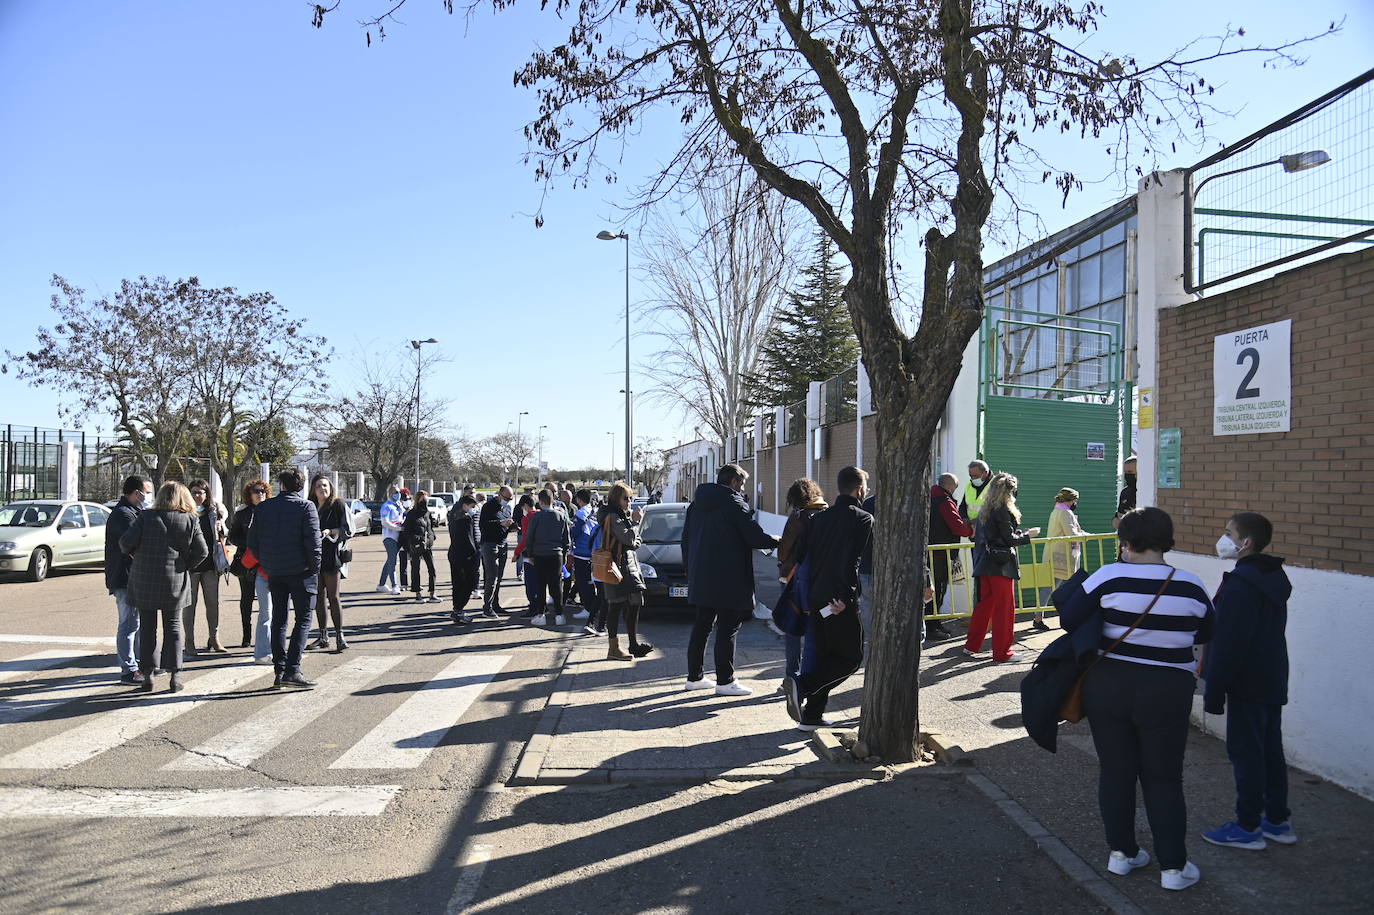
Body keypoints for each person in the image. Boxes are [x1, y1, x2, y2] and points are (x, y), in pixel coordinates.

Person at [1061, 507, 1215, 892]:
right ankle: (1174, 869)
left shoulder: (1110, 575)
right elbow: (1206, 631)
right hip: (1167, 691)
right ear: (1167, 542)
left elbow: (1069, 617)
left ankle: (1122, 855)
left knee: (1116, 772)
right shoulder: (1192, 585)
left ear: (1125, 543)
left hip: (1109, 685)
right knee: (1163, 777)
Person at [1201, 511, 1296, 850]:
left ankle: (1248, 826)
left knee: (1246, 754)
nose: (1223, 538)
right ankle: (1277, 819)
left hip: (1246, 682)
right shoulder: (1270, 577)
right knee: (1269, 750)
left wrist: (1214, 692)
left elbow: (1228, 643)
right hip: (1271, 677)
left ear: (1246, 543)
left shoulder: (1242, 585)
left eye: (1228, 532)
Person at [784, 466, 872, 730]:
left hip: (816, 597)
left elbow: (800, 556)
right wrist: (845, 596)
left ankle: (812, 716)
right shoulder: (863, 519)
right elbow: (852, 561)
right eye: (866, 486)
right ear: (860, 489)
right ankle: (802, 686)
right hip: (839, 600)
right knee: (851, 658)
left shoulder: (820, 518)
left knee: (827, 657)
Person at [682, 463, 780, 695]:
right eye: (742, 484)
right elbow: (754, 536)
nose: (742, 490)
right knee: (728, 628)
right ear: (734, 482)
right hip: (729, 577)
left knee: (702, 626)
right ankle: (725, 681)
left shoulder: (696, 505)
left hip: (702, 575)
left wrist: (691, 571)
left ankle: (694, 677)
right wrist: (777, 540)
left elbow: (685, 540)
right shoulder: (734, 502)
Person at [120, 481, 209, 693]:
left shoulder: (146, 517)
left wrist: (137, 555)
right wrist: (185, 565)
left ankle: (148, 676)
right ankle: (175, 675)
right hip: (175, 579)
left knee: (148, 628)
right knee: (174, 627)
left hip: (145, 580)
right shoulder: (190, 519)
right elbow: (202, 551)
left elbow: (125, 544)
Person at [247, 467, 322, 689]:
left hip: (275, 571)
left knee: (279, 619)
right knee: (303, 619)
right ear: (301, 486)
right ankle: (292, 669)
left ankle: (280, 670)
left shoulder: (264, 508)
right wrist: (314, 568)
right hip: (301, 572)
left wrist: (268, 562)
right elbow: (314, 543)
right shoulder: (306, 507)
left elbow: (253, 543)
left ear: (282, 485)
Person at [963, 472, 1039, 662]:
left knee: (985, 606)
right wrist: (1029, 535)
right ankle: (1003, 652)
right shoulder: (1003, 510)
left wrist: (1018, 534)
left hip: (985, 563)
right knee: (1005, 610)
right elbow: (1009, 539)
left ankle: (971, 645)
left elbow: (994, 536)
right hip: (1001, 566)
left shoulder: (985, 510)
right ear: (1010, 491)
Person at [776, 479, 827, 693]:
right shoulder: (826, 513)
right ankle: (812, 675)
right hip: (819, 578)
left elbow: (784, 549)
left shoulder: (797, 517)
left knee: (793, 628)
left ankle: (791, 677)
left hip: (793, 577)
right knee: (816, 628)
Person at [105, 474, 153, 684]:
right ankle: (129, 669)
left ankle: (143, 664)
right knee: (128, 624)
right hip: (125, 578)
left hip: (135, 576)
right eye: (148, 493)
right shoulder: (124, 515)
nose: (149, 497)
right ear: (137, 493)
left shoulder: (135, 511)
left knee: (137, 622)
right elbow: (135, 546)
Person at [598, 482, 653, 659]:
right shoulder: (613, 516)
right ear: (616, 499)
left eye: (630, 498)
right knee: (615, 605)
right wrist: (636, 522)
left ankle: (633, 644)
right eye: (625, 498)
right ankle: (613, 648)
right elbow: (630, 538)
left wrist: (633, 530)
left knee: (635, 601)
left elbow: (634, 541)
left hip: (628, 565)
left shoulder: (620, 515)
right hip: (617, 566)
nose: (629, 502)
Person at [228, 479, 275, 659]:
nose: (260, 493)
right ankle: (246, 636)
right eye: (256, 491)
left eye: (263, 491)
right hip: (247, 562)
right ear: (249, 494)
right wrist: (250, 545)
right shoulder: (242, 514)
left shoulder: (271, 512)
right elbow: (233, 536)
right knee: (246, 599)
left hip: (266, 563)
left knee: (267, 605)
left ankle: (265, 640)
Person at [927, 472, 974, 642]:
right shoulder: (944, 502)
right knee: (938, 590)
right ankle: (932, 627)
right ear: (949, 486)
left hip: (932, 551)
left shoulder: (930, 498)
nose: (955, 489)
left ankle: (935, 623)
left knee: (933, 589)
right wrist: (970, 530)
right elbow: (957, 526)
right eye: (955, 486)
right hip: (940, 553)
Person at [184, 479, 228, 657]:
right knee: (189, 606)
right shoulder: (184, 512)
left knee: (213, 604)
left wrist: (221, 526)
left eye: (201, 492)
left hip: (211, 565)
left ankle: (214, 638)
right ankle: (189, 642)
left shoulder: (214, 511)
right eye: (194, 492)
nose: (197, 496)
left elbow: (224, 533)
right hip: (190, 567)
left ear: (207, 494)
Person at [309, 473, 351, 650]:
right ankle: (322, 636)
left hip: (332, 556)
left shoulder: (337, 504)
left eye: (325, 485)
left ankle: (340, 636)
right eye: (318, 486)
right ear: (313, 489)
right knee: (318, 598)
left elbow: (347, 529)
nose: (322, 489)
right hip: (313, 558)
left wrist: (331, 531)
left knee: (333, 597)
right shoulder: (309, 506)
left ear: (331, 487)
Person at [519, 490, 572, 626]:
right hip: (556, 555)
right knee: (556, 586)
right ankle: (559, 615)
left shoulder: (536, 517)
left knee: (540, 585)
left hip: (539, 555)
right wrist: (565, 554)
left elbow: (529, 538)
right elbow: (566, 539)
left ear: (540, 502)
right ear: (552, 500)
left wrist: (530, 554)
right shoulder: (560, 516)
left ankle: (540, 614)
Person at [1040, 487, 1086, 631]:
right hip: (1062, 555)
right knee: (1069, 586)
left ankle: (1038, 617)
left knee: (1049, 586)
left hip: (1055, 553)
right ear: (1072, 500)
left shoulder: (1056, 511)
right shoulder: (1065, 512)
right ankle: (1071, 615)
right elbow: (1071, 533)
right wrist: (1086, 536)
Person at [570, 489, 607, 636]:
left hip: (582, 551)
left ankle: (588, 608)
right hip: (593, 551)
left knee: (583, 582)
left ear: (579, 500)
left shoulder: (580, 513)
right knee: (591, 583)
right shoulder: (594, 509)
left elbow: (575, 532)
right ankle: (590, 608)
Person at [479, 486, 515, 612]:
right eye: (506, 498)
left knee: (499, 576)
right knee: (491, 576)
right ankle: (487, 607)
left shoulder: (507, 508)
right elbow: (483, 525)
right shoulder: (488, 506)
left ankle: (495, 604)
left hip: (503, 544)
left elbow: (506, 526)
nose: (508, 501)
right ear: (499, 494)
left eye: (510, 499)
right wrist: (500, 523)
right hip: (489, 544)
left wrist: (511, 527)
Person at [447, 494, 481, 624]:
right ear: (465, 505)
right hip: (465, 555)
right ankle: (458, 610)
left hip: (454, 553)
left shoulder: (453, 515)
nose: (473, 509)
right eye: (472, 507)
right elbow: (469, 539)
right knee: (469, 581)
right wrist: (475, 553)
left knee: (457, 583)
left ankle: (457, 610)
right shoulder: (465, 518)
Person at [402, 491, 439, 603]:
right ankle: (418, 594)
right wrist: (415, 540)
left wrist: (431, 538)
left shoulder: (427, 513)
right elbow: (406, 531)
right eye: (422, 499)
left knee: (432, 569)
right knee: (415, 569)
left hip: (427, 545)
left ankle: (432, 593)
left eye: (426, 499)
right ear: (417, 500)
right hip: (416, 545)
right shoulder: (411, 514)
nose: (424, 501)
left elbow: (430, 528)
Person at [376, 486, 404, 595]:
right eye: (396, 492)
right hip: (389, 537)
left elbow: (401, 518)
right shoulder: (386, 506)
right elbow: (385, 522)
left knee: (389, 561)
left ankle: (381, 585)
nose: (398, 494)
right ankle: (395, 586)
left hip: (398, 537)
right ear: (390, 493)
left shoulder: (397, 505)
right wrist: (398, 528)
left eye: (399, 492)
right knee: (392, 561)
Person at [397, 487, 413, 590]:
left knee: (414, 563)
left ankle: (415, 582)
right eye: (403, 499)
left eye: (407, 499)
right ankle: (404, 584)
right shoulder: (398, 510)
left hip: (412, 540)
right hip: (402, 540)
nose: (405, 501)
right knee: (403, 563)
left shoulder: (412, 511)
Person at [1114, 457, 1138, 525]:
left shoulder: (1148, 492)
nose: (1127, 475)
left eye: (1130, 472)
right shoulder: (1125, 492)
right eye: (1125, 473)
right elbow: (1116, 520)